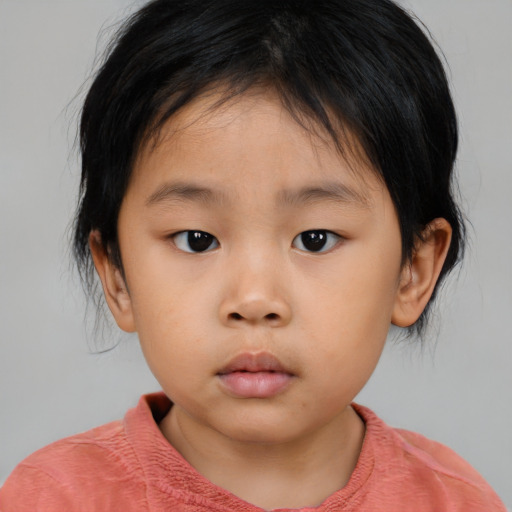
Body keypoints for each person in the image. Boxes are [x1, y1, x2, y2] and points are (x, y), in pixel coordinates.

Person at [0, 0, 507, 510]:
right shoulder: (54, 498)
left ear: (413, 272)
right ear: (116, 274)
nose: (255, 299)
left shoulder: (455, 501)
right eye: (196, 239)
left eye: (315, 239)